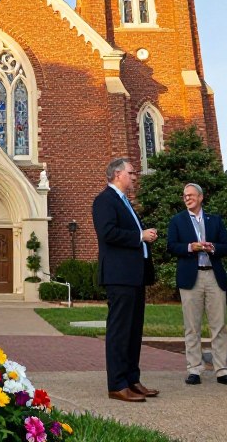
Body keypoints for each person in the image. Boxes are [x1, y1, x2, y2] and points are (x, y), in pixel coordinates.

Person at [92, 158, 160, 403]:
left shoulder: (125, 203)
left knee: (133, 332)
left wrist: (142, 236)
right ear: (117, 174)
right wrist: (140, 235)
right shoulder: (104, 201)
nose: (135, 176)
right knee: (120, 332)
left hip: (135, 276)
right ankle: (117, 384)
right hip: (118, 276)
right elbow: (108, 233)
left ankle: (132, 379)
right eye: (132, 172)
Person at [166, 182, 227, 387]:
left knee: (219, 325)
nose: (187, 198)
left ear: (200, 197)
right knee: (192, 326)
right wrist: (191, 247)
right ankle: (194, 369)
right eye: (184, 195)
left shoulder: (214, 220)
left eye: (190, 195)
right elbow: (171, 247)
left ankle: (222, 370)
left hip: (213, 277)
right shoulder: (177, 221)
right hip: (191, 277)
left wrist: (212, 247)